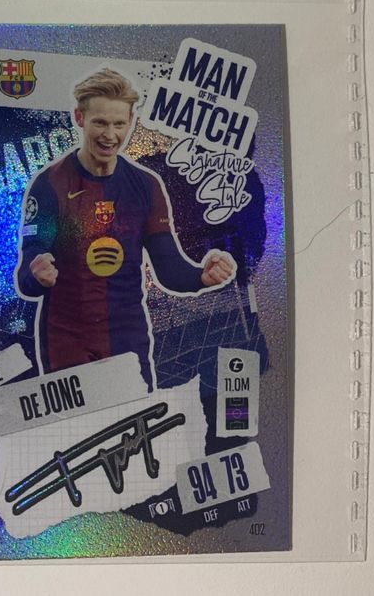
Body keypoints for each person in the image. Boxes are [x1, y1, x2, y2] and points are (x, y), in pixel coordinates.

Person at [14, 68, 236, 388]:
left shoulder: (146, 186)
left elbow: (168, 268)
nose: (110, 135)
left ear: (131, 120)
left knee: (136, 421)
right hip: (66, 340)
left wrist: (201, 275)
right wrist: (36, 274)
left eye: (119, 124)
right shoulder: (49, 184)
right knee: (79, 423)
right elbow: (28, 271)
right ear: (79, 118)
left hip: (127, 339)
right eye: (100, 122)